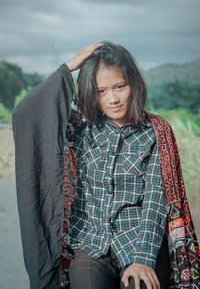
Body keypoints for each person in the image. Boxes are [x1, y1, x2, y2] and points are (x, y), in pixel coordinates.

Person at [12, 42, 200, 289]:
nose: (112, 99)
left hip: (141, 241)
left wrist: (142, 259)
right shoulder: (80, 127)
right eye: (101, 91)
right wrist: (68, 68)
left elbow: (156, 200)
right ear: (91, 92)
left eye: (119, 87)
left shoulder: (156, 131)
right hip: (90, 243)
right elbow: (27, 112)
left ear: (133, 84)